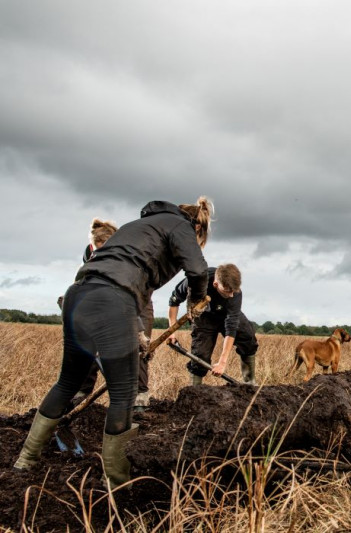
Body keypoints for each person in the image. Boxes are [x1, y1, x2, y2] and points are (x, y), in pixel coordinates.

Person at [15, 198, 212, 490]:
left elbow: (124, 279)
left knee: (67, 382)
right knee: (124, 394)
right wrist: (196, 299)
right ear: (197, 225)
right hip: (112, 299)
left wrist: (136, 333)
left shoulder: (139, 226)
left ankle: (25, 460)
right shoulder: (181, 225)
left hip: (78, 295)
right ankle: (118, 484)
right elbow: (197, 269)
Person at [71, 219, 156, 414]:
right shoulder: (90, 252)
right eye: (97, 249)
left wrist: (138, 329)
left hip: (139, 299)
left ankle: (139, 398)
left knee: (138, 347)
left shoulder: (128, 255)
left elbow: (127, 296)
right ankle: (82, 393)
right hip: (106, 296)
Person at [167, 263, 259, 385]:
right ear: (216, 284)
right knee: (200, 355)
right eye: (227, 291)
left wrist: (222, 362)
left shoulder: (235, 294)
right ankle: (195, 392)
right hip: (203, 317)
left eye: (234, 291)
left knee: (248, 337)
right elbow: (174, 300)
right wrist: (171, 331)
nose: (231, 295)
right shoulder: (195, 280)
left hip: (227, 313)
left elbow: (232, 326)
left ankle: (250, 383)